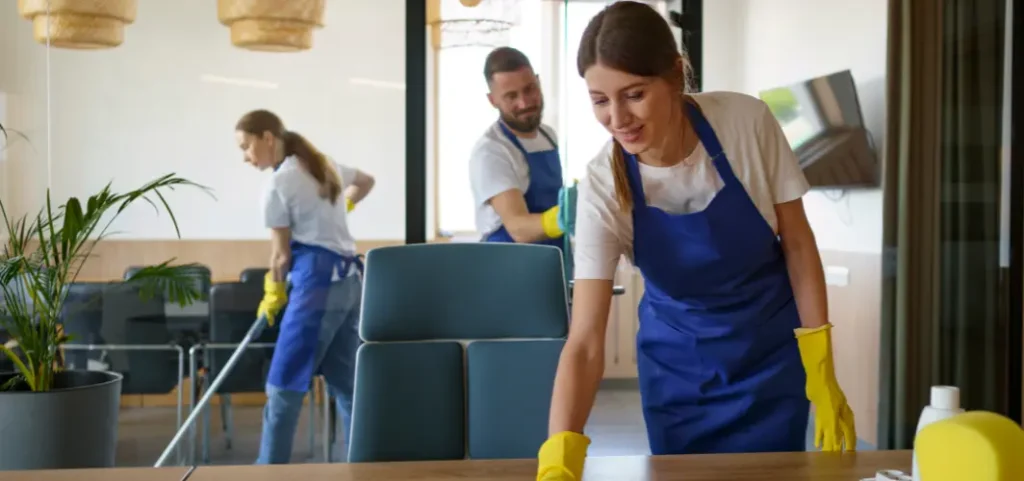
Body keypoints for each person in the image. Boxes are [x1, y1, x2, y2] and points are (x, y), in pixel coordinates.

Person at [536, 3, 857, 480]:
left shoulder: (745, 122)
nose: (617, 118)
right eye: (600, 100)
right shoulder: (604, 182)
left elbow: (797, 244)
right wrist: (560, 453)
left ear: (675, 75)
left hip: (769, 358)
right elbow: (584, 340)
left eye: (634, 94)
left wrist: (822, 369)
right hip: (678, 374)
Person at [234, 109, 376, 464]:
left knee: (283, 384)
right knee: (347, 385)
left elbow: (281, 257)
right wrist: (343, 206)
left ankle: (269, 471)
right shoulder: (321, 164)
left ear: (268, 137)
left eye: (247, 147)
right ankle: (361, 465)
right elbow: (367, 180)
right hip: (350, 283)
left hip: (316, 288)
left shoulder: (279, 184)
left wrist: (273, 293)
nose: (246, 157)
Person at [469, 46, 576, 249]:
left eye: (529, 89)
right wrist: (565, 217)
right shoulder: (491, 152)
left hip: (553, 258)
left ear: (538, 81)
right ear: (493, 100)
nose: (524, 103)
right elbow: (519, 229)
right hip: (509, 268)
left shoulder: (548, 135)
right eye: (511, 96)